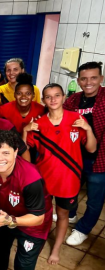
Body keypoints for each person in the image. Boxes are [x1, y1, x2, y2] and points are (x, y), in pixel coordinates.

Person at [23, 83, 96, 265]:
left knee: (63, 215)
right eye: (48, 96)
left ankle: (56, 248)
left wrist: (87, 129)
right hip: (44, 179)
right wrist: (25, 131)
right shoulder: (38, 124)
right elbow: (24, 155)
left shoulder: (76, 119)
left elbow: (92, 148)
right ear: (43, 100)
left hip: (68, 180)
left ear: (64, 98)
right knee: (42, 214)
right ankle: (39, 240)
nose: (53, 99)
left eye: (57, 95)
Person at [0, 130, 53, 270]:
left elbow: (38, 218)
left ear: (15, 152)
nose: (0, 158)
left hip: (32, 226)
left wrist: (11, 220)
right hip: (3, 217)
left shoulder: (30, 178)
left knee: (23, 265)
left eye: (6, 153)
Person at [63, 62, 105, 246]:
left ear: (101, 79)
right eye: (84, 78)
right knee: (70, 190)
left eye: (94, 78)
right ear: (78, 81)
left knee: (94, 200)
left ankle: (83, 229)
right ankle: (71, 215)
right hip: (75, 157)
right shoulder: (73, 101)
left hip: (100, 160)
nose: (89, 82)